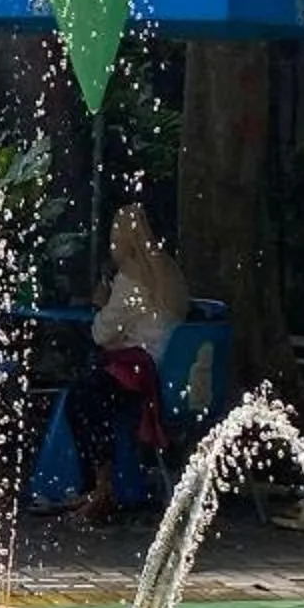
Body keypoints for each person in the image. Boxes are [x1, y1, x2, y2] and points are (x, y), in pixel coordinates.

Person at [69, 205, 189, 523]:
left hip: (144, 374)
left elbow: (101, 332)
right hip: (176, 374)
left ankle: (102, 487)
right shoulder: (168, 269)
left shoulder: (132, 278)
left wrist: (100, 304)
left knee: (83, 398)